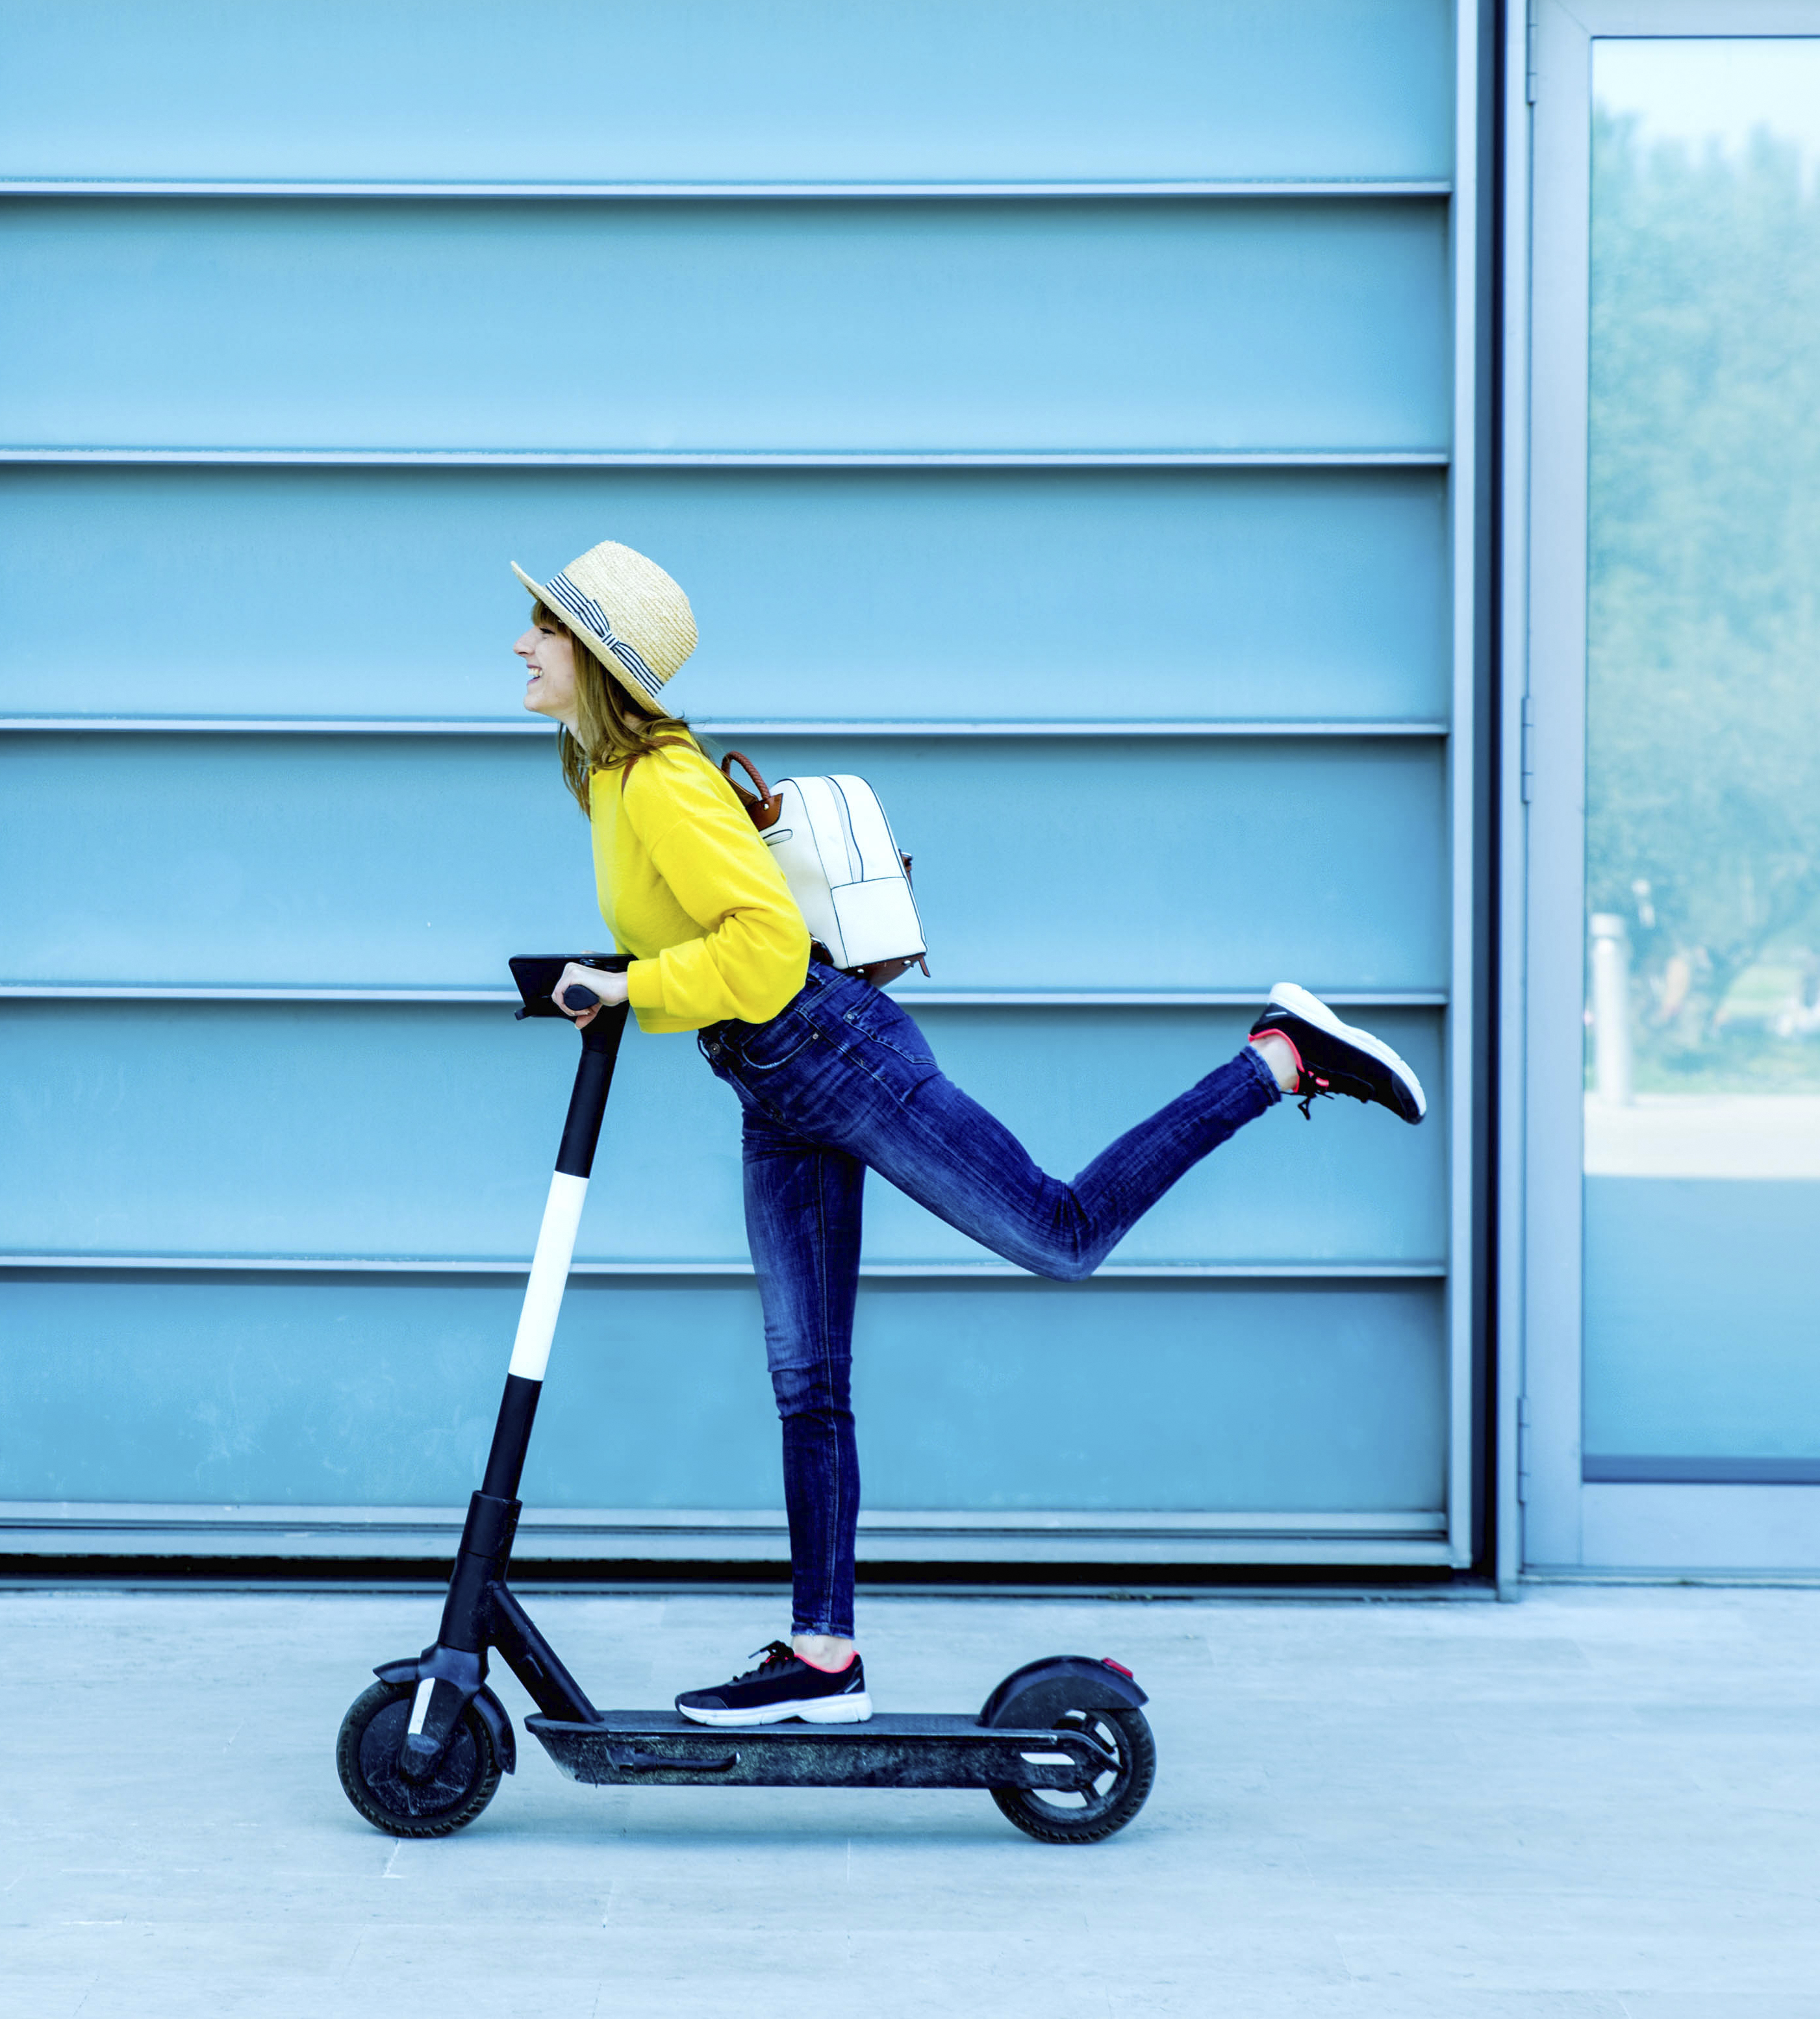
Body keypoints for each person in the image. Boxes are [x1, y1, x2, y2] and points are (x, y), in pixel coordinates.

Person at [511, 540, 1428, 1728]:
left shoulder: (661, 781)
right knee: (809, 1382)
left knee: (1061, 1233)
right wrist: (605, 977)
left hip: (830, 1049)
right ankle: (823, 1659)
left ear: (594, 656)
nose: (522, 645)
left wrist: (629, 992)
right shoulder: (606, 782)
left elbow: (764, 949)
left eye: (541, 627)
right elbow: (701, 938)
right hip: (773, 1080)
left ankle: (1279, 1056)